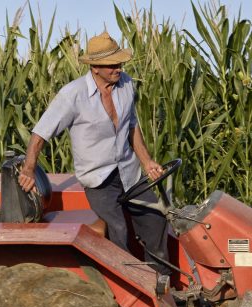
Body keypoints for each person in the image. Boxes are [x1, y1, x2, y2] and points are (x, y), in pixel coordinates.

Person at [18, 32, 170, 274]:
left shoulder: (127, 84)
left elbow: (132, 125)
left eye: (119, 62)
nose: (118, 68)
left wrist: (147, 161)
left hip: (129, 172)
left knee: (156, 219)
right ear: (94, 67)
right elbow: (40, 134)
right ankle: (130, 288)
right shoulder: (73, 95)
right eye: (111, 65)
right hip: (98, 178)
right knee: (117, 230)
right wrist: (28, 169)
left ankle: (162, 281)